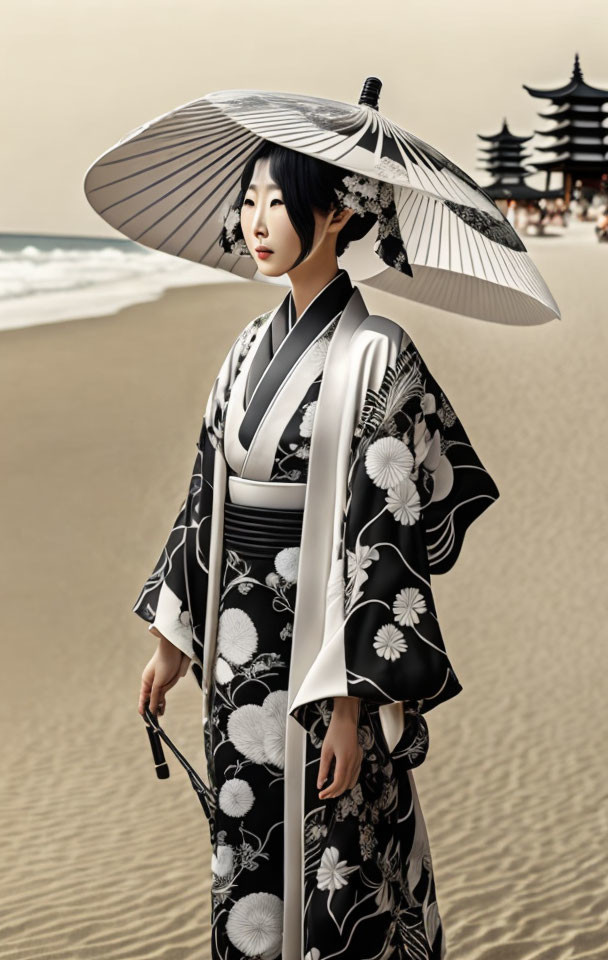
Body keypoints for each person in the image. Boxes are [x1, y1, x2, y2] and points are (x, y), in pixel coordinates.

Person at [132, 139, 500, 959]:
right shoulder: (243, 352)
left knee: (340, 857)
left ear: (336, 214)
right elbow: (205, 496)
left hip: (328, 655)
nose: (255, 222)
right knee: (247, 844)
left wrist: (350, 704)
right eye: (250, 202)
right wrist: (172, 640)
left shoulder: (380, 353)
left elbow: (386, 536)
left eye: (277, 203)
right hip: (239, 652)